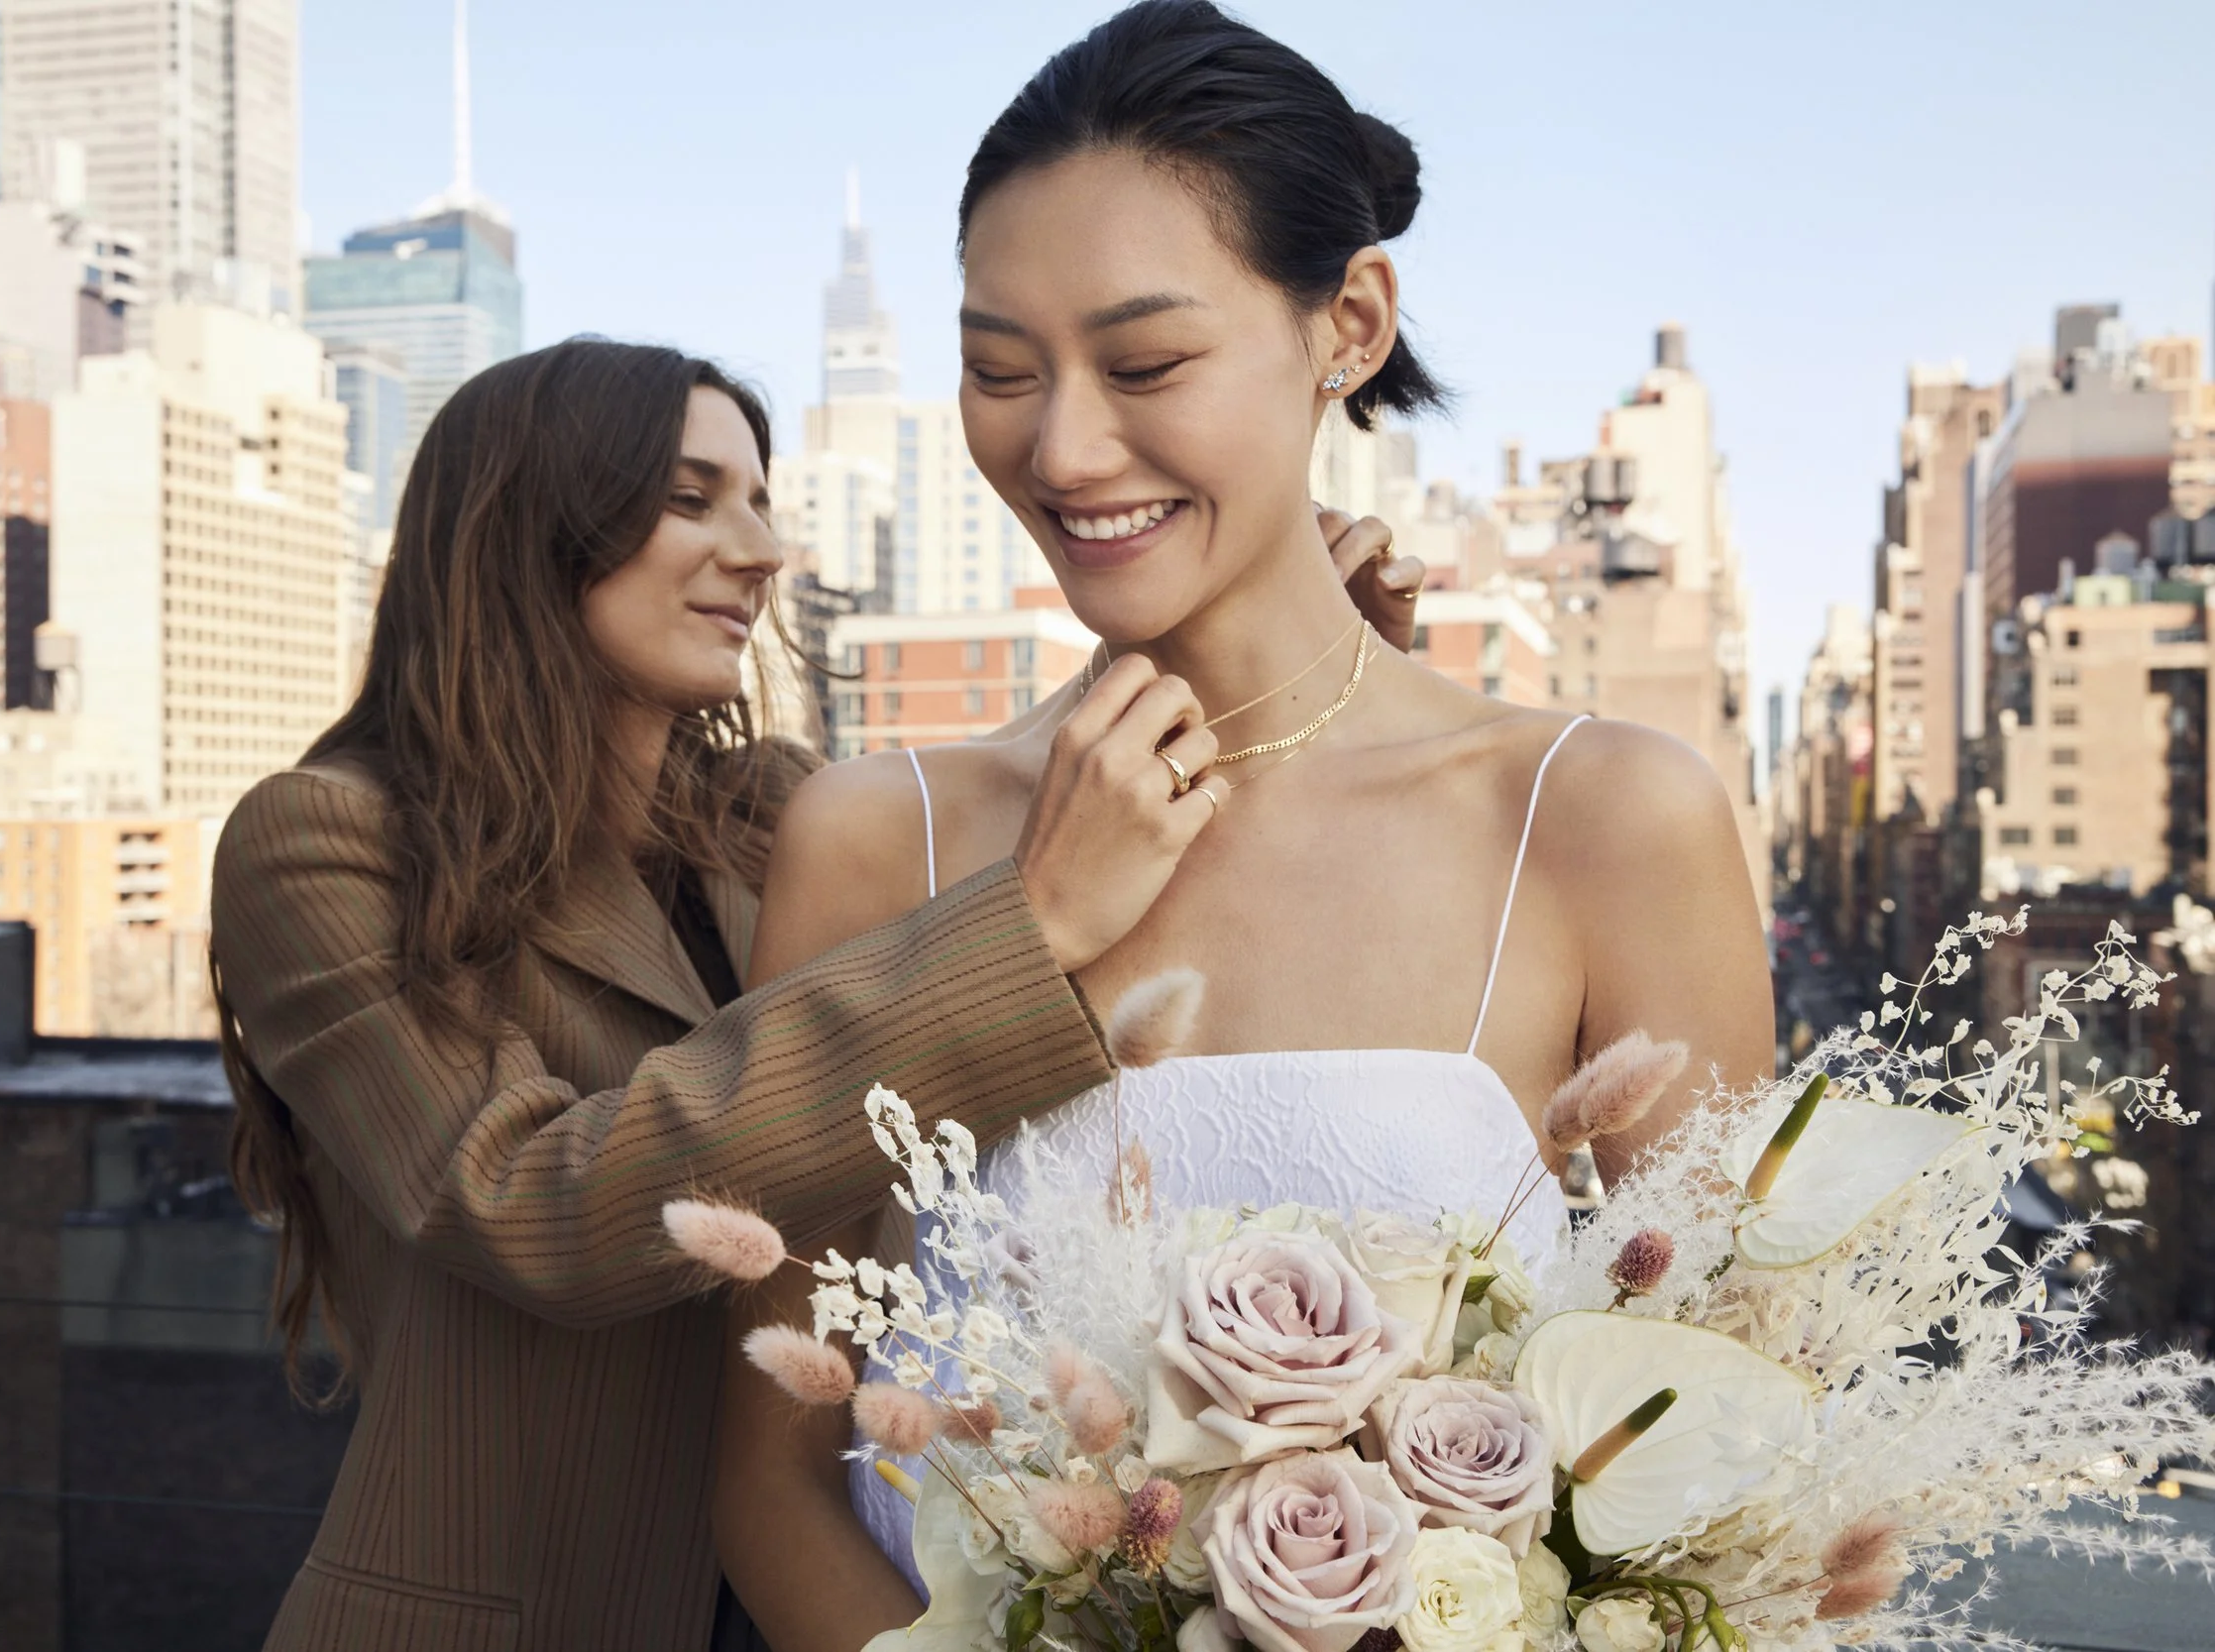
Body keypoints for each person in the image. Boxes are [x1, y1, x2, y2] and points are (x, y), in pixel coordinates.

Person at [710, 6, 1772, 1646]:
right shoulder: (875, 840)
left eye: (1144, 364)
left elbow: (1732, 1465)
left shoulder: (1603, 820)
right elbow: (773, 1475)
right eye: (1002, 370)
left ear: (1345, 324)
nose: (1061, 448)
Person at [208, 337, 1416, 1652]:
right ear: (524, 528)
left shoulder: (774, 821)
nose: (763, 548)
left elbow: (1032, 806)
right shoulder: (326, 843)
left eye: (760, 497)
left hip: (828, 1591)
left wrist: (1276, 667)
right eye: (691, 497)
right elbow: (537, 1206)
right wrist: (1032, 922)